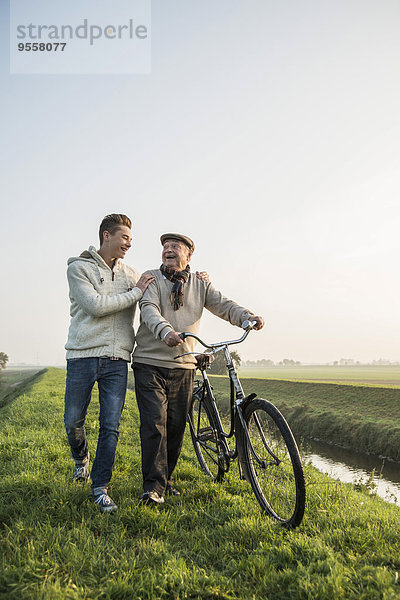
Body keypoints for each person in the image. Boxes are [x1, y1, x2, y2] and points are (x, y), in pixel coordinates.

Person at [132, 233, 264, 505]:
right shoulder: (152, 278)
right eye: (165, 247)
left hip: (184, 364)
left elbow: (223, 304)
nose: (168, 251)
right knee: (155, 423)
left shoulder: (200, 284)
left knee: (177, 425)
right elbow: (148, 309)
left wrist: (246, 317)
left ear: (189, 255)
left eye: (175, 247)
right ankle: (152, 488)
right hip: (150, 361)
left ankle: (166, 481)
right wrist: (165, 331)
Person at [64, 213, 154, 512]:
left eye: (131, 238)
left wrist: (195, 275)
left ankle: (100, 487)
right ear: (107, 235)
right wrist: (136, 292)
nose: (130, 243)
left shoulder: (132, 274)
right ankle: (81, 459)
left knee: (110, 426)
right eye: (125, 237)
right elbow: (94, 306)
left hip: (117, 359)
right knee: (73, 421)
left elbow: (158, 290)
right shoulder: (79, 268)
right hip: (83, 355)